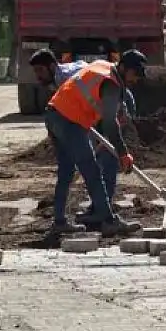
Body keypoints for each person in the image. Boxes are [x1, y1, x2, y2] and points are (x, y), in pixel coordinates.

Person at [30, 50, 137, 233]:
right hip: (70, 121)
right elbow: (111, 124)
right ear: (124, 68)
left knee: (67, 171)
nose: (136, 80)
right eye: (135, 75)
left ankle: (60, 222)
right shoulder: (110, 85)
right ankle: (109, 221)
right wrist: (123, 153)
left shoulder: (102, 67)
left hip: (55, 115)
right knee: (92, 170)